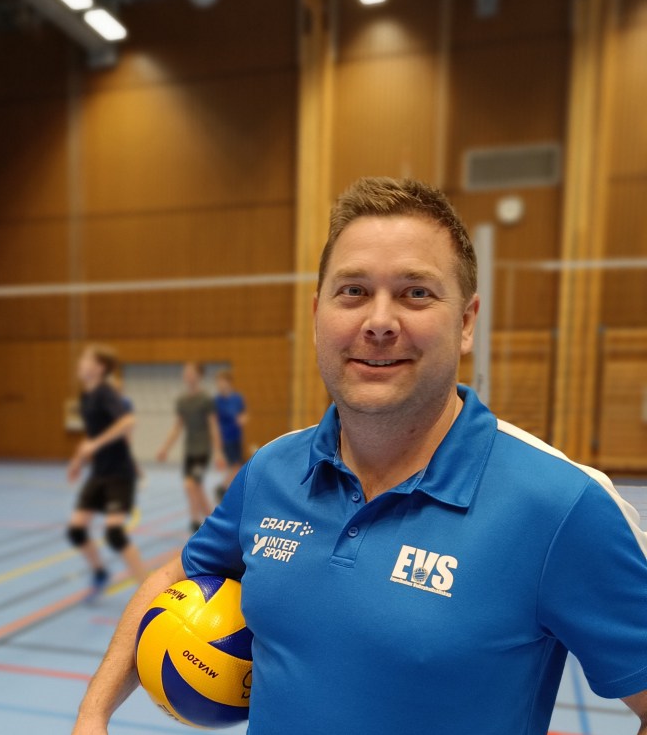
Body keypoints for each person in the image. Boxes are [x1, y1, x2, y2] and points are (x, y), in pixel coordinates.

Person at [72, 177, 647, 735]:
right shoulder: (272, 471)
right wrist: (93, 715)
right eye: (353, 291)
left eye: (415, 293)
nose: (378, 322)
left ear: (467, 322)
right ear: (318, 310)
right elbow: (178, 573)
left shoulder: (561, 506)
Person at [66, 345, 147, 602]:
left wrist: (96, 444)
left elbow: (127, 422)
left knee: (114, 533)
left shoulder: (104, 392)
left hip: (118, 474)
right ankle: (100, 571)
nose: (80, 362)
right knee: (76, 530)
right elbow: (91, 435)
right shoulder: (86, 396)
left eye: (86, 359)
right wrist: (78, 460)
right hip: (98, 472)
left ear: (99, 368)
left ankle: (148, 591)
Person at [155, 362, 222, 532]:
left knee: (190, 485)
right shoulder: (182, 401)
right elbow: (177, 427)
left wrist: (219, 453)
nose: (188, 375)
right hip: (190, 451)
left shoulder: (206, 399)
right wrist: (165, 448)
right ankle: (213, 522)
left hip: (202, 450)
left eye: (191, 372)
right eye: (186, 372)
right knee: (196, 488)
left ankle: (196, 521)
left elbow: (213, 426)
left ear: (199, 376)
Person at [213, 370, 248, 501]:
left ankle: (224, 489)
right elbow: (214, 421)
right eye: (218, 383)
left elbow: (243, 413)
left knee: (237, 465)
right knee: (236, 465)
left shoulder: (237, 398)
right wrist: (217, 444)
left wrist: (243, 418)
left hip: (236, 437)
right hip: (225, 438)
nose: (220, 385)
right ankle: (222, 489)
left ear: (229, 383)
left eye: (222, 382)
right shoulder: (217, 401)